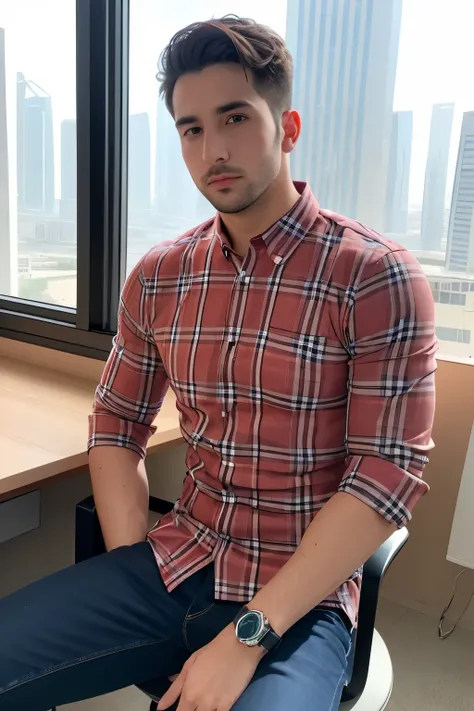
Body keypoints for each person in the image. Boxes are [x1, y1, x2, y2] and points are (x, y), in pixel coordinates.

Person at [0, 16, 437, 711]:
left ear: (288, 127)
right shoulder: (161, 274)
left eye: (235, 117)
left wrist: (248, 634)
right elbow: (116, 422)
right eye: (190, 128)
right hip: (174, 560)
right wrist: (125, 563)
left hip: (301, 603)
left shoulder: (374, 276)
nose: (213, 149)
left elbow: (385, 478)